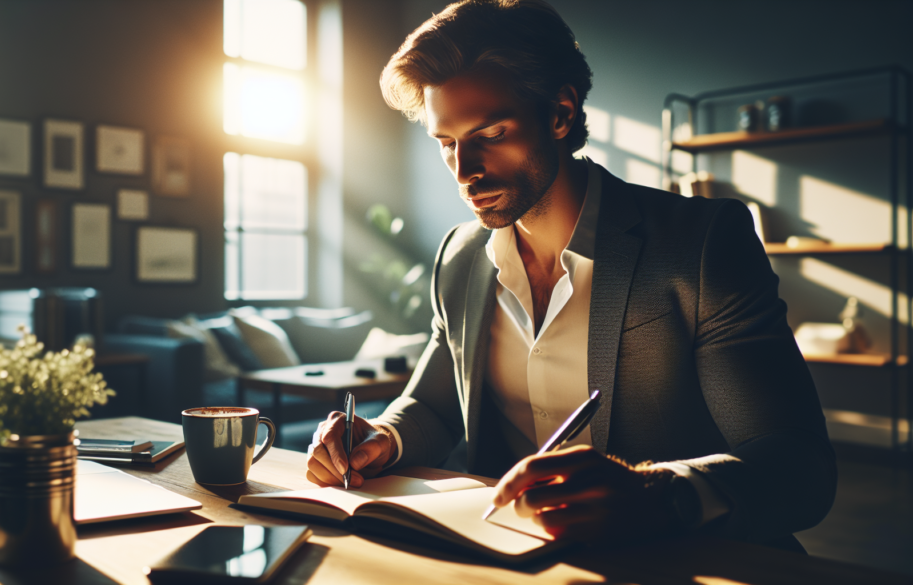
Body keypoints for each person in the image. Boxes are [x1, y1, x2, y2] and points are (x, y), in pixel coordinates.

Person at [306, 0, 835, 550]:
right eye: (447, 144)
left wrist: (654, 492)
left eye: (490, 133)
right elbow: (435, 406)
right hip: (510, 556)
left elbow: (798, 465)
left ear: (560, 113)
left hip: (687, 562)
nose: (464, 170)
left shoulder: (699, 245)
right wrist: (381, 437)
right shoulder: (460, 256)